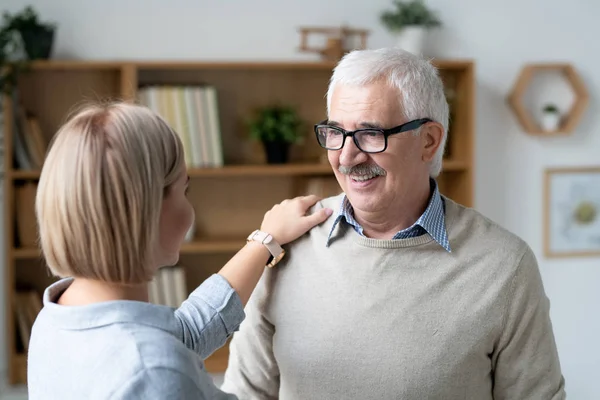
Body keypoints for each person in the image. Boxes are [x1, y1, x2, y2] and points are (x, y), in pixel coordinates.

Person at [221, 47, 566, 399]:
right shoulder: (281, 246)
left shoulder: (505, 266)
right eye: (336, 132)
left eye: (371, 134)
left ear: (429, 141)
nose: (346, 157)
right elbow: (245, 393)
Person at [26, 101, 333, 399]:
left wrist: (265, 240)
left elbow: (183, 334)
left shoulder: (56, 319)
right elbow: (163, 356)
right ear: (147, 210)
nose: (189, 208)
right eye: (183, 189)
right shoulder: (153, 371)